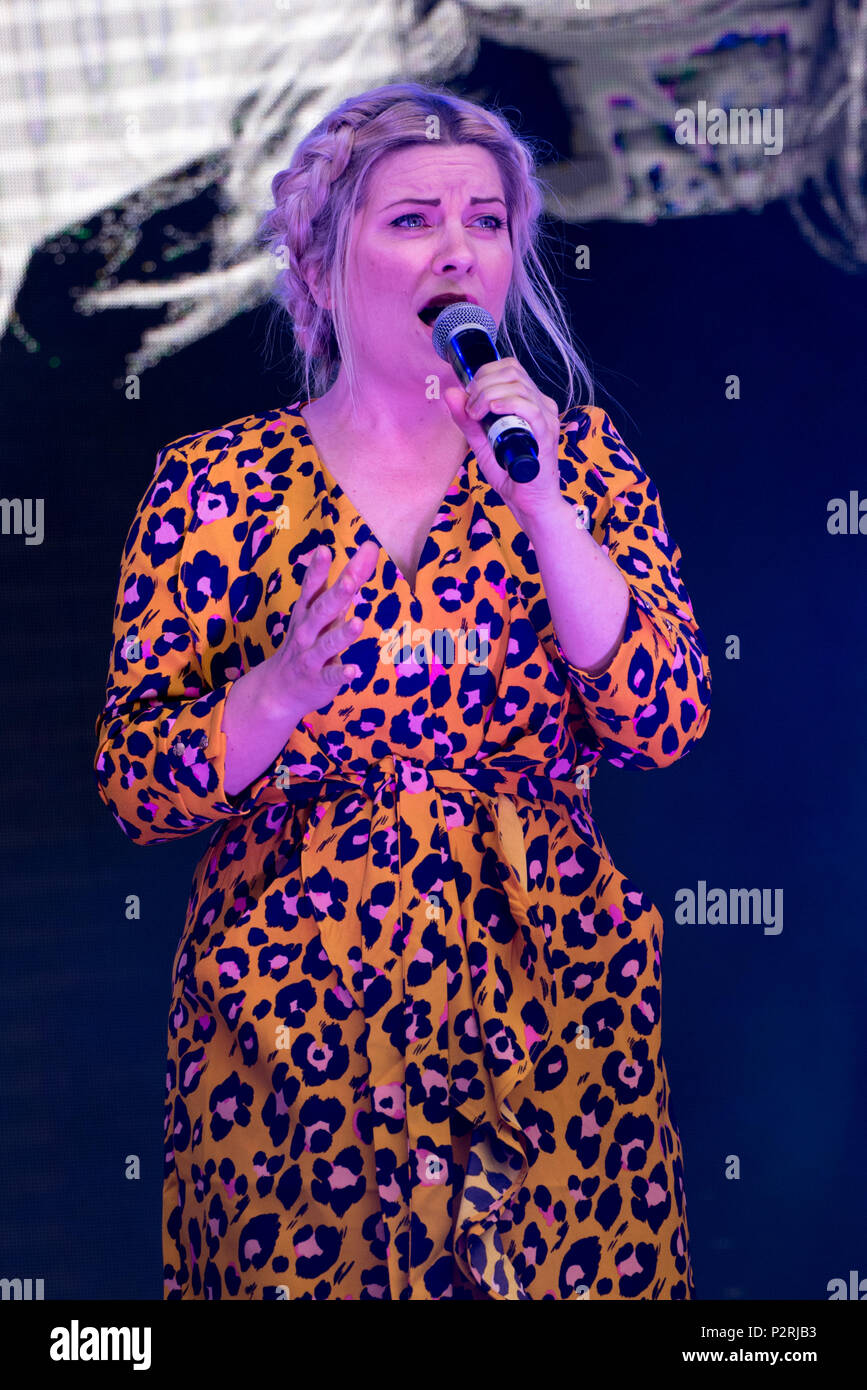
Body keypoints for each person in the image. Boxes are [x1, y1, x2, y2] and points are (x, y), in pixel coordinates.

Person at [93, 81, 712, 1301]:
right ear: (323, 269)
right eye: (413, 219)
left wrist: (543, 508)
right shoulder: (217, 483)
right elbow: (138, 785)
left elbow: (665, 712)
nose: (458, 248)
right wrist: (272, 695)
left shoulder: (574, 458)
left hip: (551, 1006)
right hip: (294, 1029)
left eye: (486, 219)